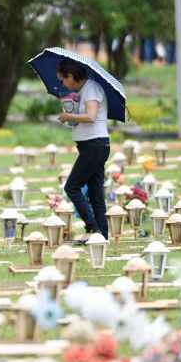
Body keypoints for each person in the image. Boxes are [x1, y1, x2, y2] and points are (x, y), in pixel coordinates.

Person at [56, 59, 110, 240]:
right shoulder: (83, 91)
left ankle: (93, 228)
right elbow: (84, 118)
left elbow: (91, 116)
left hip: (95, 145)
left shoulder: (91, 88)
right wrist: (71, 115)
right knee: (95, 193)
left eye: (62, 79)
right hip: (91, 145)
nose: (62, 83)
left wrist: (67, 116)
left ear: (71, 76)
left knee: (72, 187)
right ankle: (101, 235)